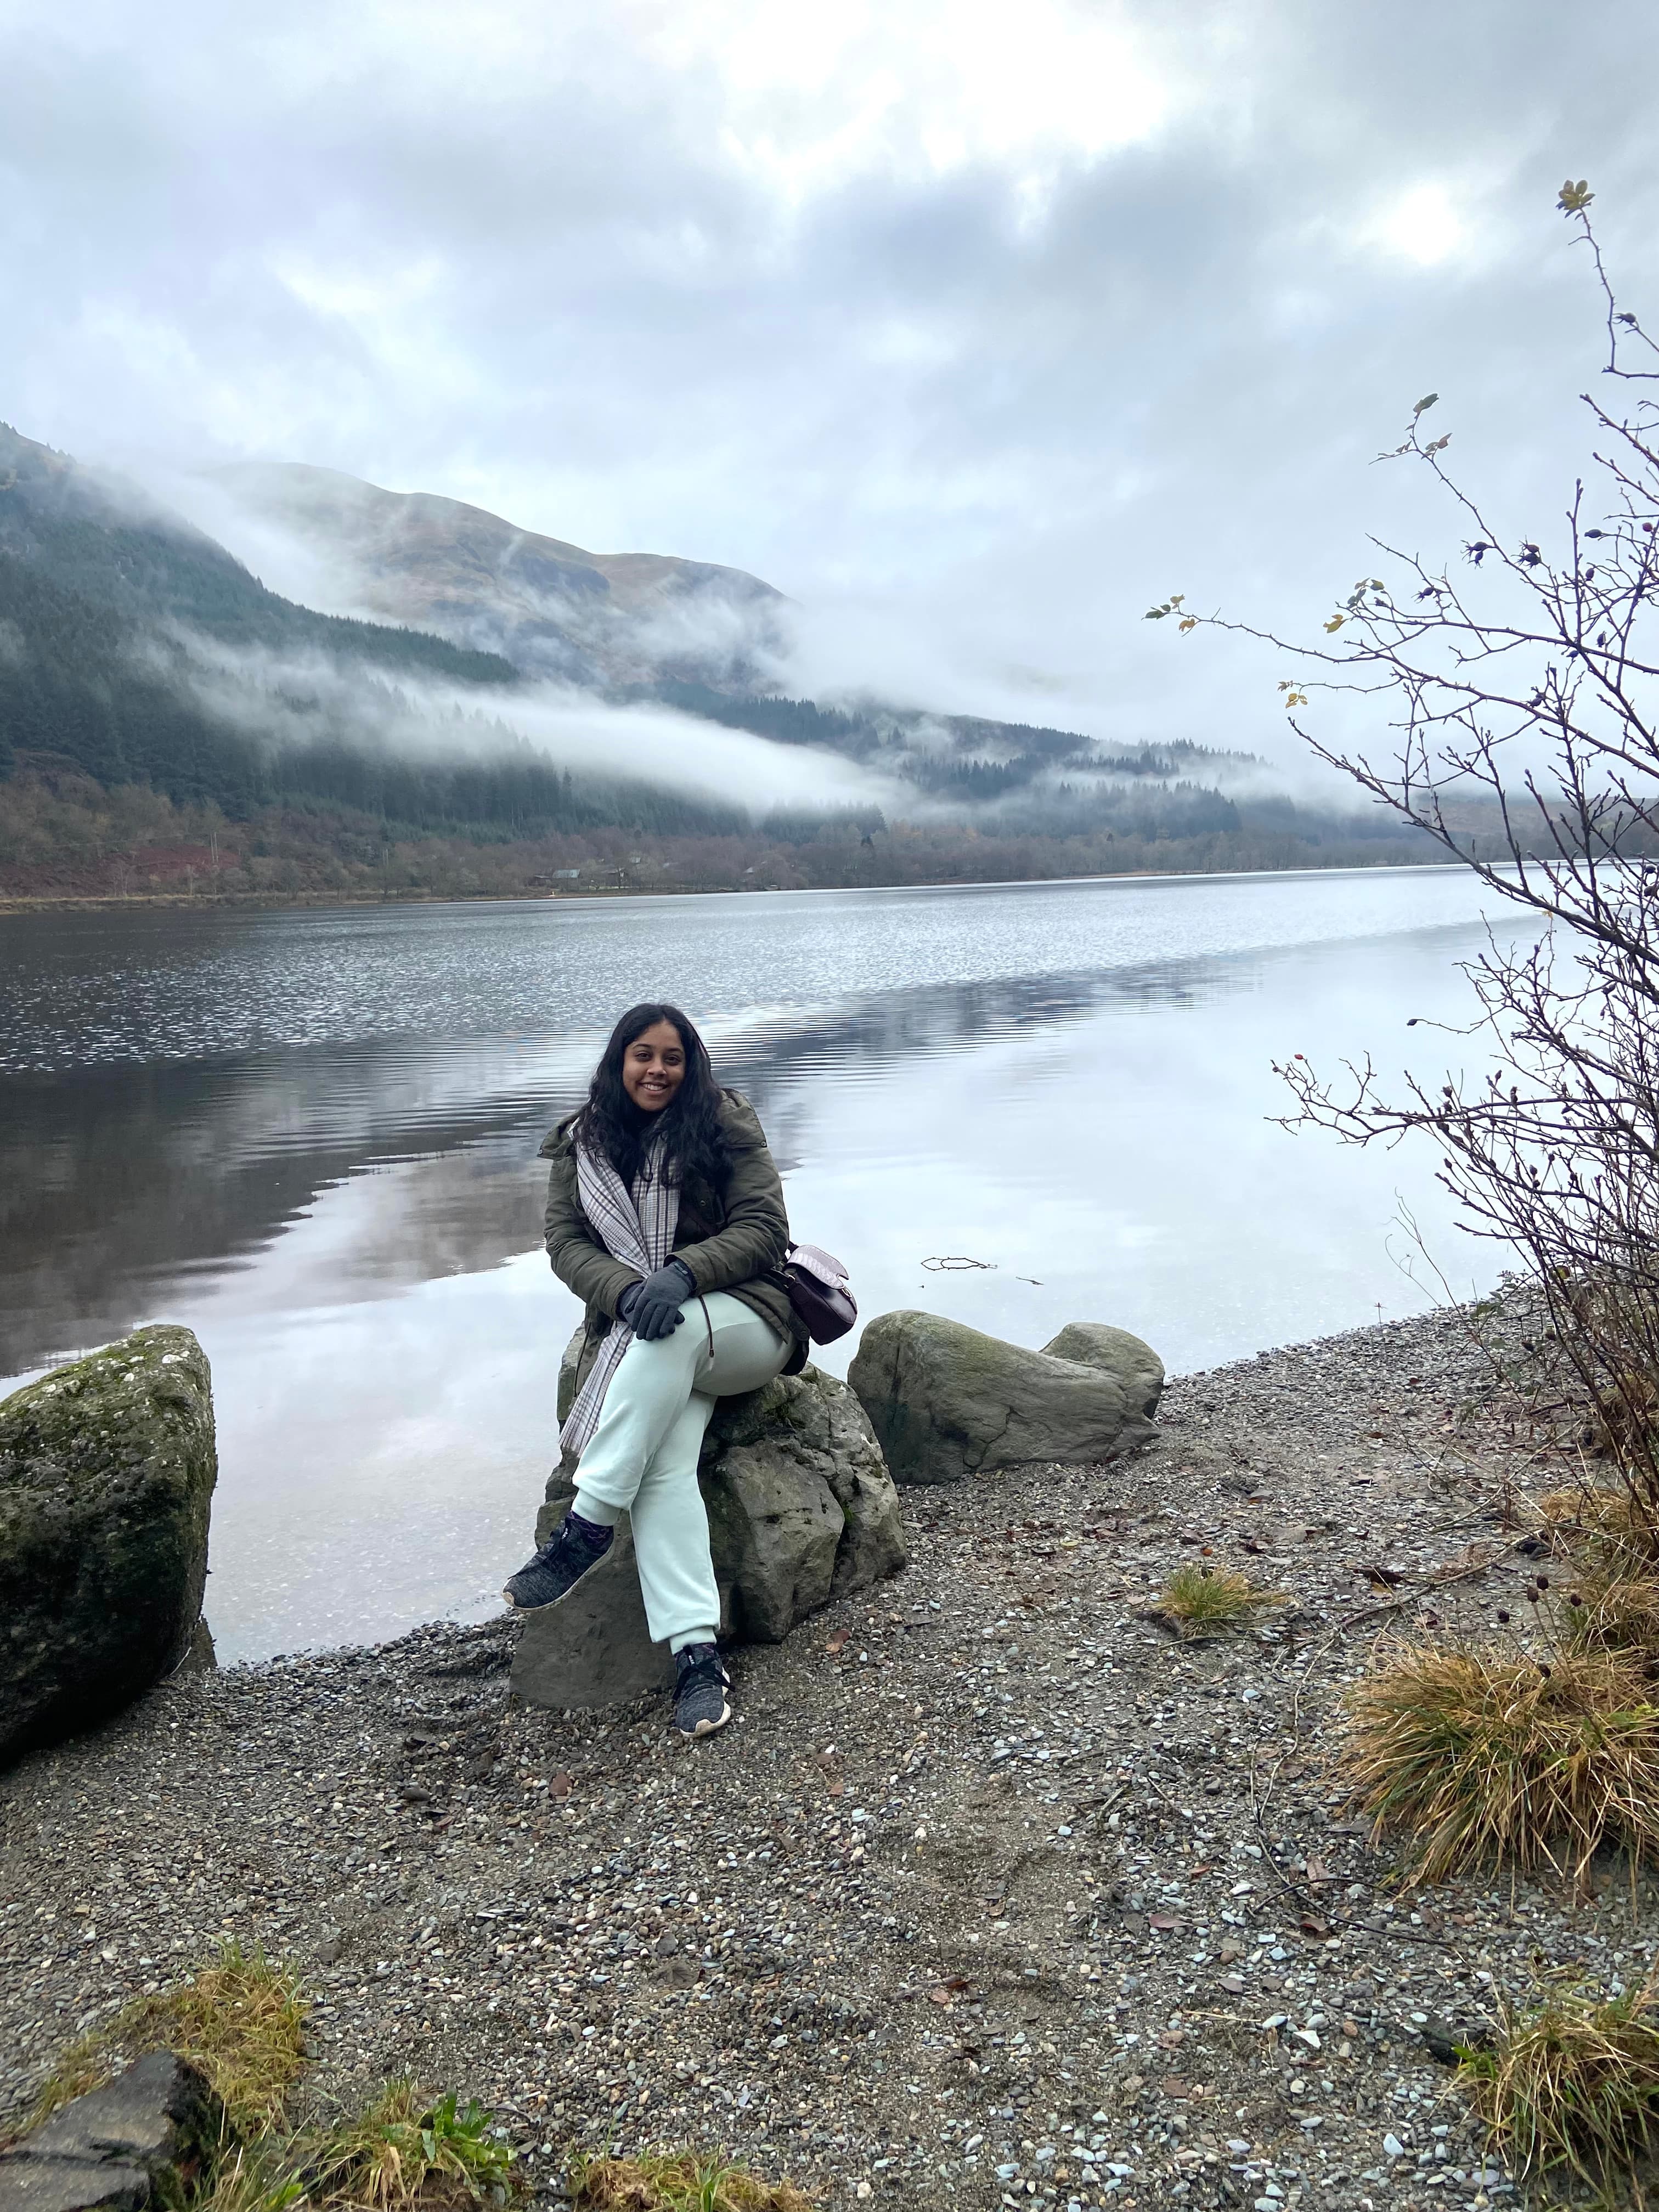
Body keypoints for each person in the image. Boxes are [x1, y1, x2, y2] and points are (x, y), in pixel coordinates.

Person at [503, 1002, 808, 1739]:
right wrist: (627, 1291)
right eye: (643, 1055)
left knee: (661, 1344)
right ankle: (696, 1657)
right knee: (665, 1464)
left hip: (747, 1323)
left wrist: (680, 1274)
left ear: (690, 1064)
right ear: (619, 1062)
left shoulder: (725, 1122)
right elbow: (564, 1243)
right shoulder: (584, 1143)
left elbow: (767, 1229)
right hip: (648, 1325)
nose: (658, 1070)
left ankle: (586, 1525)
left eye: (672, 1057)